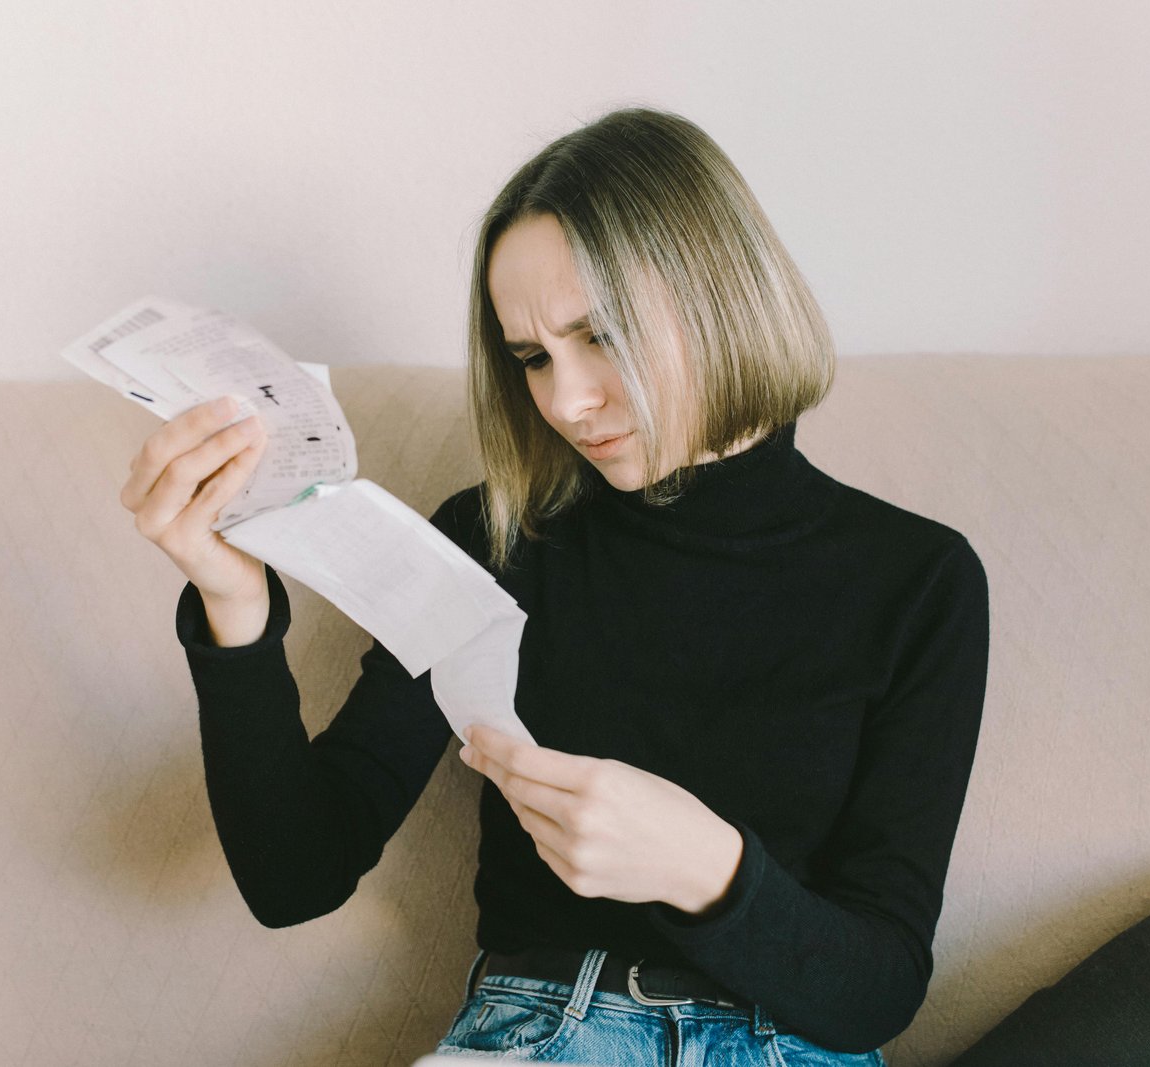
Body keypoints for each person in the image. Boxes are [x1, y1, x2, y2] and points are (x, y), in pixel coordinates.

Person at [119, 106, 990, 1066]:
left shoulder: (918, 581)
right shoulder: (495, 541)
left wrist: (709, 868)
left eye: (602, 335)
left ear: (720, 297)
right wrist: (235, 615)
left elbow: (880, 988)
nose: (568, 400)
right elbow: (297, 876)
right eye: (533, 357)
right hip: (541, 1033)